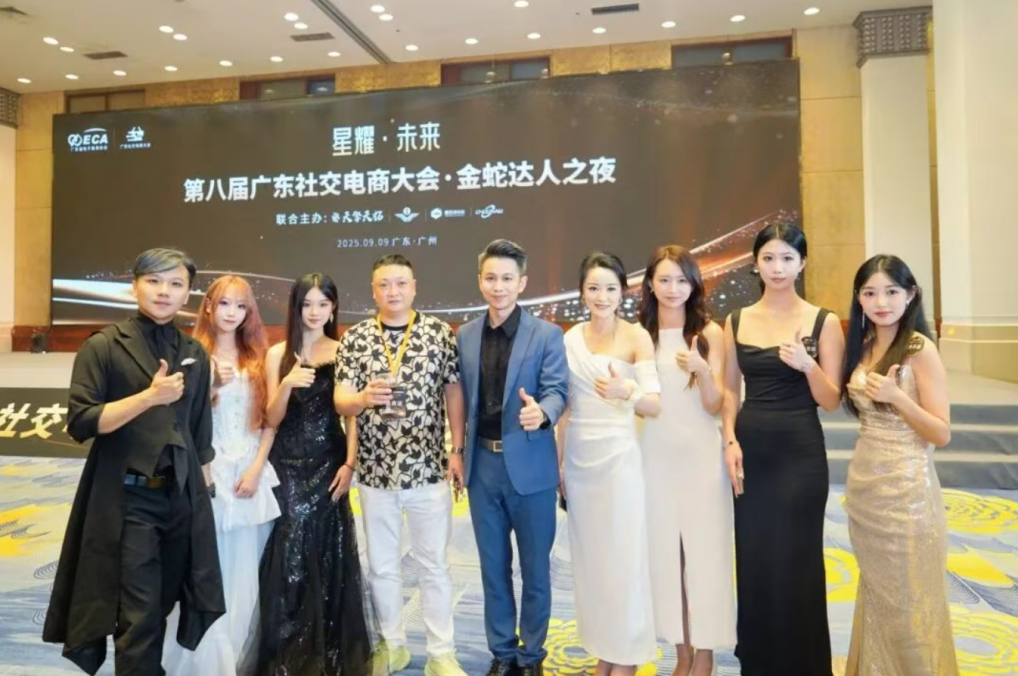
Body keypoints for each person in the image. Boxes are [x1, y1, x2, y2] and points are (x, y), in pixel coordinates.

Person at [43, 247, 224, 676]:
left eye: (176, 284)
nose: (164, 291)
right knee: (138, 616)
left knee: (161, 607)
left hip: (182, 501)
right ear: (134, 286)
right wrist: (148, 397)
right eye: (154, 281)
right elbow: (82, 421)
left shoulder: (194, 352)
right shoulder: (103, 346)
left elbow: (200, 436)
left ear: (188, 294)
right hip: (129, 503)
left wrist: (204, 498)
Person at [721, 223, 844, 676]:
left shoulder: (823, 321)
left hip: (800, 453)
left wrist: (808, 365)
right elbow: (729, 391)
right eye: (769, 258)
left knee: (797, 559)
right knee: (755, 557)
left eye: (787, 258)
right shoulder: (736, 320)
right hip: (752, 452)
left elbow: (831, 400)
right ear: (756, 263)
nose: (777, 268)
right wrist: (729, 440)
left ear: (802, 263)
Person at [335, 254, 468, 676]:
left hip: (427, 468)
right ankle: (393, 645)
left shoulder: (438, 333)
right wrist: (362, 399)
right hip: (375, 472)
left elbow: (453, 392)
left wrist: (457, 448)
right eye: (384, 285)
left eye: (400, 283)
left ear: (414, 287)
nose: (392, 292)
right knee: (382, 566)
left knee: (434, 565)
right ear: (373, 291)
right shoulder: (356, 338)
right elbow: (341, 400)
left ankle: (441, 653)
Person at [841, 255, 959, 676]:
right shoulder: (862, 346)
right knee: (879, 596)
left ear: (910, 295)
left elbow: (941, 433)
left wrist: (897, 398)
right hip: (865, 492)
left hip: (908, 495)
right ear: (859, 298)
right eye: (870, 292)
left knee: (910, 606)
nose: (881, 302)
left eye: (891, 291)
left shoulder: (919, 349)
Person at [456, 240, 569, 676]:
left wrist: (543, 413)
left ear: (522, 283)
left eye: (507, 278)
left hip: (532, 467)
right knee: (493, 567)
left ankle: (532, 654)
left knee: (536, 569)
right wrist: (457, 451)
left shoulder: (547, 335)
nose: (498, 286)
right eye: (490, 278)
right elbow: (461, 398)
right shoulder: (465, 335)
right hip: (482, 467)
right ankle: (502, 653)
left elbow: (558, 390)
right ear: (479, 281)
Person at [162, 275, 281, 675]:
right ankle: (200, 661)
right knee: (203, 570)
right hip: (206, 474)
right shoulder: (191, 354)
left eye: (240, 306)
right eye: (225, 304)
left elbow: (269, 421)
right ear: (209, 307)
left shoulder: (258, 356)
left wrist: (256, 468)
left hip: (249, 473)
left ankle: (235, 661)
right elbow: (179, 418)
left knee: (245, 573)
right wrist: (210, 388)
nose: (232, 313)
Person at [256, 273, 372, 676]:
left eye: (323, 303)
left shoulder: (344, 351)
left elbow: (352, 415)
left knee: (328, 548)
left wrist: (350, 463)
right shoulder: (277, 354)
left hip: (329, 462)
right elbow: (271, 418)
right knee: (290, 550)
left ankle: (328, 652)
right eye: (307, 304)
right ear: (296, 307)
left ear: (333, 307)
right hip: (287, 464)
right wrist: (287, 383)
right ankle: (288, 654)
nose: (315, 312)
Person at [558, 251, 661, 676]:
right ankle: (606, 652)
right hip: (579, 461)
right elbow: (565, 410)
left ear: (623, 292)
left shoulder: (637, 337)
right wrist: (560, 467)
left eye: (610, 288)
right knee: (593, 564)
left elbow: (654, 405)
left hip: (620, 459)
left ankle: (628, 657)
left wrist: (628, 393)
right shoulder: (569, 339)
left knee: (624, 559)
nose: (602, 296)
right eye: (593, 288)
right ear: (582, 292)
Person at [637, 245, 735, 676]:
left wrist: (703, 370)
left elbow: (715, 404)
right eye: (664, 279)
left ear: (694, 284)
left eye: (681, 280)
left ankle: (706, 653)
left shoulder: (710, 332)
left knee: (705, 554)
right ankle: (681, 652)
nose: (673, 288)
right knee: (665, 557)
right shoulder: (641, 334)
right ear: (650, 284)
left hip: (700, 457)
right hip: (653, 455)